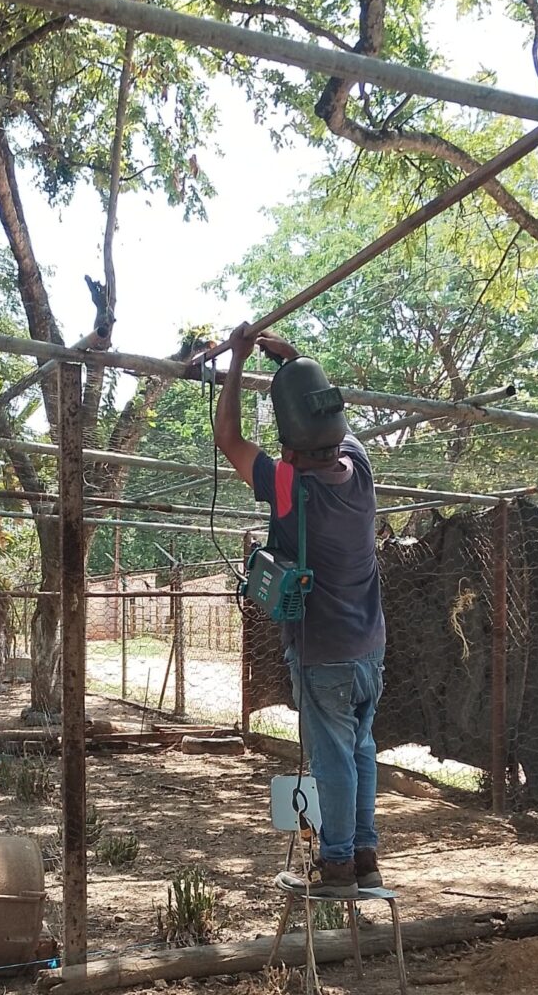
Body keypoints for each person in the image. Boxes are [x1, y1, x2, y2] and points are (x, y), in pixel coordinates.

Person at [213, 323, 386, 898]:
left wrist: (236, 363)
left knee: (334, 753)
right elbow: (338, 426)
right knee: (361, 748)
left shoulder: (290, 485)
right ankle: (364, 855)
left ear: (288, 448)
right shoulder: (360, 469)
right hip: (369, 648)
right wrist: (300, 364)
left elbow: (229, 438)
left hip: (324, 652)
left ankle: (336, 863)